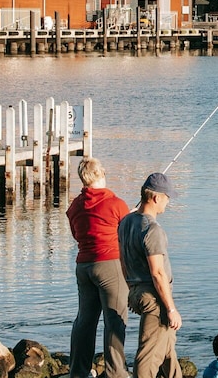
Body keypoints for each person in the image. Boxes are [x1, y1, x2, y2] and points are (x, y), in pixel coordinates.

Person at [67, 158, 130, 378]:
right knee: (114, 319)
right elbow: (127, 234)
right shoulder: (116, 203)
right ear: (102, 173)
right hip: (109, 264)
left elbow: (76, 234)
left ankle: (78, 370)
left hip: (84, 265)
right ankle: (116, 372)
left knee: (85, 319)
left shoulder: (75, 206)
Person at [120, 173, 182, 378]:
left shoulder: (126, 222)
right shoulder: (152, 229)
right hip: (154, 297)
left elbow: (122, 261)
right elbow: (157, 273)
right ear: (156, 198)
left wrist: (131, 289)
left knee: (166, 348)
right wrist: (171, 308)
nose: (168, 201)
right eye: (167, 197)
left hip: (136, 291)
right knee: (148, 355)